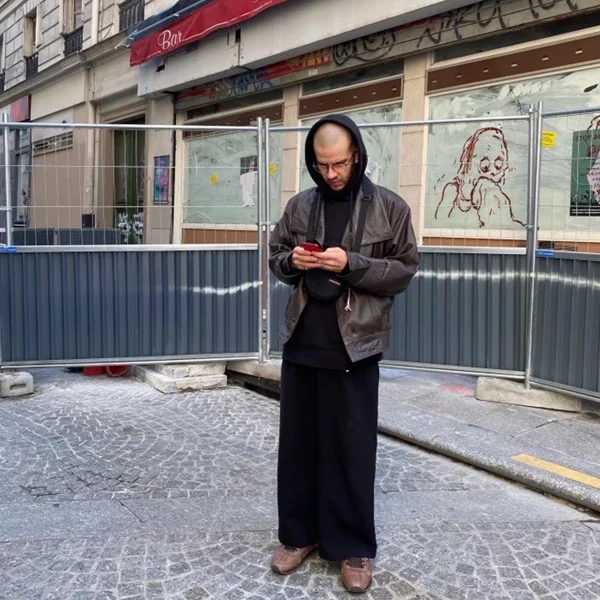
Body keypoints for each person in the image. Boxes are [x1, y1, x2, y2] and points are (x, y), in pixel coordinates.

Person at [268, 114, 419, 593]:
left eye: (339, 163)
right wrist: (292, 260)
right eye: (322, 165)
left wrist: (351, 263)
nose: (331, 173)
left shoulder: (390, 207)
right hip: (302, 342)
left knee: (351, 450)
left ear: (357, 155)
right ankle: (299, 535)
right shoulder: (299, 205)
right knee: (298, 448)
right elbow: (276, 256)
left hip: (356, 346)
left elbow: (404, 270)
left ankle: (352, 547)